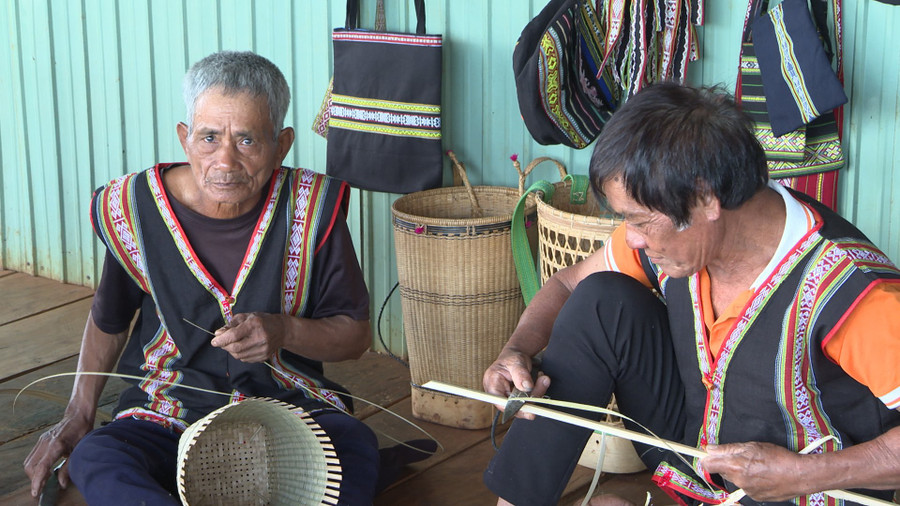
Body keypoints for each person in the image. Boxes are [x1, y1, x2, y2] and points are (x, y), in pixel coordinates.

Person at [482, 82, 900, 506]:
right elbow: (568, 283)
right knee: (601, 301)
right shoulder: (676, 237)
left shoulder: (852, 290)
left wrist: (802, 475)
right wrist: (517, 349)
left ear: (705, 198)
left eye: (640, 220)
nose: (632, 238)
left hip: (801, 492)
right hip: (700, 462)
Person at [24, 51, 381, 505]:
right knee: (98, 458)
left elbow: (354, 337)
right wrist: (78, 412)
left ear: (282, 145)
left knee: (353, 448)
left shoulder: (312, 208)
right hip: (169, 411)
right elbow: (109, 321)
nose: (225, 161)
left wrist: (284, 331)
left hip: (287, 408)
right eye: (209, 138)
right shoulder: (134, 209)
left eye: (247, 140)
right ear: (185, 138)